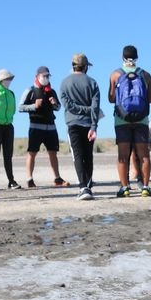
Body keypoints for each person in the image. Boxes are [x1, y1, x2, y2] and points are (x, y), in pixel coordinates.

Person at [108, 45, 151, 198]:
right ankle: (146, 187)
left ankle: (124, 188)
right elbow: (150, 99)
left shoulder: (115, 74)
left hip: (122, 120)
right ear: (137, 57)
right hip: (141, 120)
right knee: (144, 155)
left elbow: (111, 98)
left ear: (122, 57)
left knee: (123, 155)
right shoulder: (145, 75)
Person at [18, 66, 70, 189]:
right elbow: (20, 107)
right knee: (32, 153)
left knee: (53, 153)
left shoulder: (52, 91)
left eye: (48, 76)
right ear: (37, 77)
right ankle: (29, 179)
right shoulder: (30, 90)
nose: (46, 78)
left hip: (51, 127)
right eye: (44, 76)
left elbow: (58, 107)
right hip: (35, 127)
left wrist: (54, 104)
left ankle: (57, 178)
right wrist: (33, 106)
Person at [60, 53, 100, 200]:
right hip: (89, 124)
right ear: (85, 67)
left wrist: (82, 110)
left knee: (77, 155)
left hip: (73, 123)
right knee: (88, 155)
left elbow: (68, 106)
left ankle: (83, 187)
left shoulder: (64, 83)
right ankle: (87, 186)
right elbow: (95, 107)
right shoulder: (92, 82)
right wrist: (94, 125)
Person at [0, 69, 21, 191]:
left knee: (8, 155)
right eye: (8, 78)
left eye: (11, 78)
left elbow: (13, 109)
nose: (10, 81)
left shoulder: (11, 93)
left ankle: (11, 181)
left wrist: (9, 119)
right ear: (1, 80)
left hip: (8, 126)